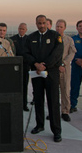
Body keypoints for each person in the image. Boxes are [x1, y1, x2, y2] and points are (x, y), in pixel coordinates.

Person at [24, 15, 63, 143]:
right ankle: (39, 125)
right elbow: (26, 53)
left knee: (53, 101)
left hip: (51, 73)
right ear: (36, 24)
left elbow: (57, 53)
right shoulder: (31, 37)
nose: (41, 25)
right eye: (39, 23)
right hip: (37, 74)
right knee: (38, 100)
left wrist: (44, 65)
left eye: (43, 23)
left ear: (47, 23)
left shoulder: (55, 36)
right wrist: (35, 64)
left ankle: (56, 130)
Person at [55, 19, 76, 122]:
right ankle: (53, 112)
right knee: (53, 92)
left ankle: (65, 111)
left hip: (65, 69)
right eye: (57, 26)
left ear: (65, 28)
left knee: (65, 91)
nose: (58, 28)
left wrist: (63, 64)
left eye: (61, 27)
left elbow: (72, 53)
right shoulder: (51, 39)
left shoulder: (69, 40)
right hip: (54, 68)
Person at [10, 22, 30, 112]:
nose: (21, 30)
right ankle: (15, 104)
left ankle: (24, 104)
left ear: (26, 30)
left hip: (25, 66)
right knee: (14, 86)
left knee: (24, 86)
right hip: (14, 66)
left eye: (23, 29)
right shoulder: (12, 39)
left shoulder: (29, 39)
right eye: (20, 28)